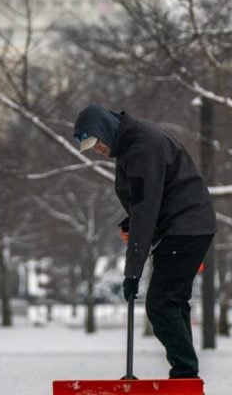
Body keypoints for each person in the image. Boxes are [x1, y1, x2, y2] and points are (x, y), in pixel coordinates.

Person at [73, 104, 216, 380]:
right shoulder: (133, 142)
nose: (98, 150)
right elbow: (147, 202)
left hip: (185, 228)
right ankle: (186, 380)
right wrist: (135, 224)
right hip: (185, 226)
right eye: (92, 147)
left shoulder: (140, 148)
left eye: (97, 143)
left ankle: (185, 376)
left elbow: (145, 208)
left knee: (161, 304)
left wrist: (132, 273)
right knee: (172, 303)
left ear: (105, 129)